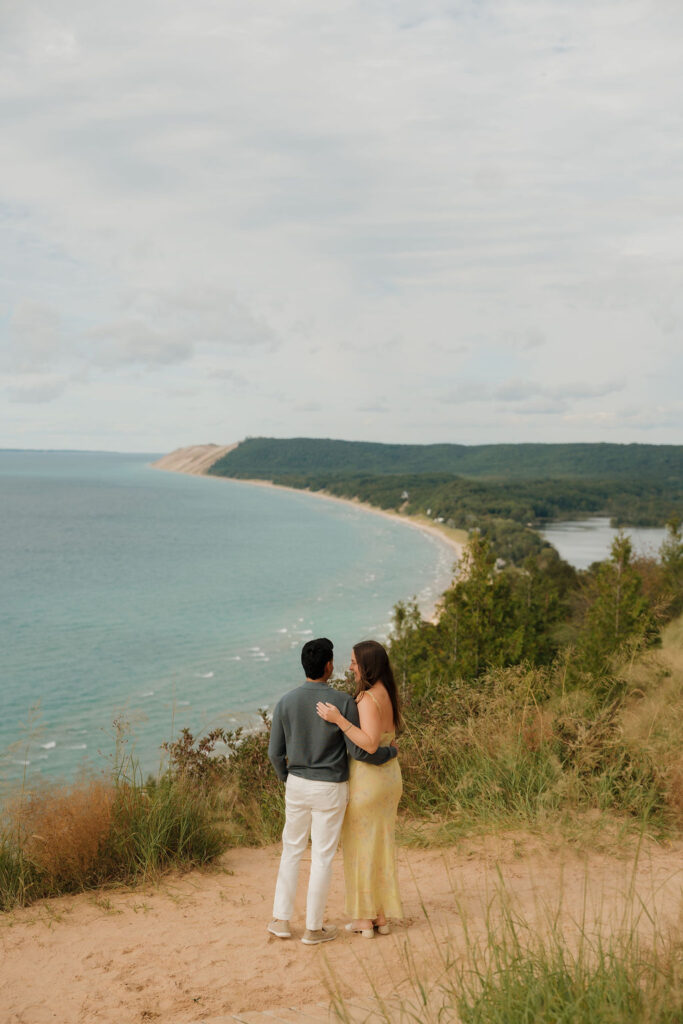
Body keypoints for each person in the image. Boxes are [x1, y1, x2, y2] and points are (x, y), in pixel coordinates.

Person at [267, 637, 397, 945]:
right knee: (322, 856)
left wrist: (288, 779)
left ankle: (282, 921)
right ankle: (314, 928)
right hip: (331, 788)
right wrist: (389, 754)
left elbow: (275, 753)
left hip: (297, 784)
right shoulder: (343, 702)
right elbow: (362, 751)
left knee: (291, 850)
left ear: (304, 665)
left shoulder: (285, 701)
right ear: (329, 666)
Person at [316, 640, 403, 938]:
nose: (350, 667)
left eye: (354, 662)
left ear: (366, 665)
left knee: (359, 850)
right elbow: (385, 739)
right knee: (379, 848)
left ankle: (364, 920)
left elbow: (367, 742)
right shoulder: (387, 693)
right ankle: (381, 917)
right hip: (390, 778)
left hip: (369, 780)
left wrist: (339, 719)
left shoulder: (366, 697)